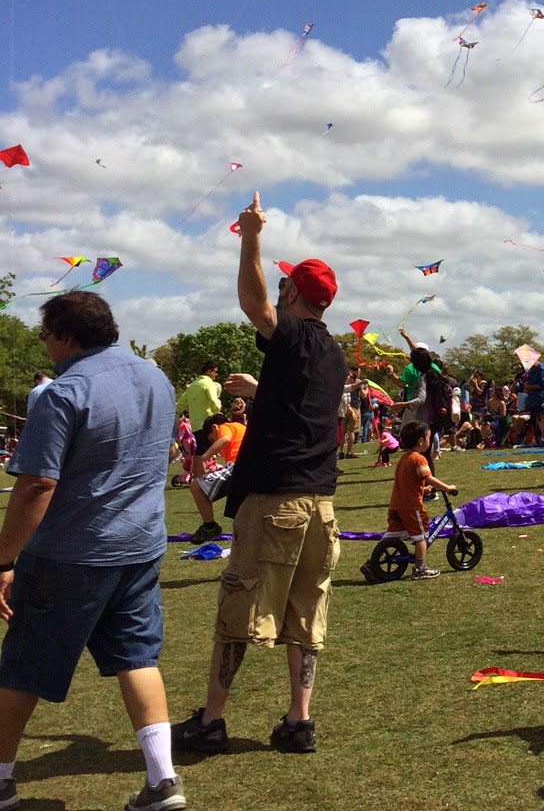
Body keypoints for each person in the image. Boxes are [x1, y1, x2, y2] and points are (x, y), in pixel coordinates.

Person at [173, 193, 346, 758]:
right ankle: (300, 722)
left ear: (294, 292)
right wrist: (263, 390)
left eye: (285, 284)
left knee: (238, 610)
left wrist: (251, 235)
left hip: (275, 503)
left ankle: (211, 721)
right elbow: (300, 405)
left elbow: (255, 307)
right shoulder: (332, 351)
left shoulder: (291, 333)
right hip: (320, 506)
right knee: (305, 612)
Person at [0, 291, 184, 811]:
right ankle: (161, 779)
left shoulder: (63, 392)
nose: (43, 345)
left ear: (65, 335)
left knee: (23, 668)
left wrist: (3, 559)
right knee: (137, 658)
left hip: (71, 553)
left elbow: (37, 485)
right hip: (141, 547)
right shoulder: (156, 378)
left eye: (44, 335)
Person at [366, 421, 457, 582]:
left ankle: (371, 563)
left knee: (392, 536)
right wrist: (447, 488)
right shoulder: (419, 458)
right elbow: (429, 478)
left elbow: (408, 483)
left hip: (396, 505)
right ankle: (420, 569)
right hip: (412, 506)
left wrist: (425, 490)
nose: (430, 441)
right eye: (429, 438)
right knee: (421, 537)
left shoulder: (404, 458)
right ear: (421, 441)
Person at [188, 406, 248, 544]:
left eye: (212, 439)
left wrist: (203, 458)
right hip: (251, 468)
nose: (214, 443)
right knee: (240, 512)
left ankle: (209, 526)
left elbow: (225, 439)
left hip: (239, 468)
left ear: (214, 428)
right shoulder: (240, 427)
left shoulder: (225, 427)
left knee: (196, 486)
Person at [175, 361, 222, 457]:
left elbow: (179, 405)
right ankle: (206, 471)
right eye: (215, 372)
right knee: (208, 453)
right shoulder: (209, 384)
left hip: (195, 426)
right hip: (207, 424)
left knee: (200, 451)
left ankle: (197, 472)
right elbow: (214, 402)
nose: (216, 374)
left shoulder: (192, 386)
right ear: (209, 371)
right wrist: (218, 411)